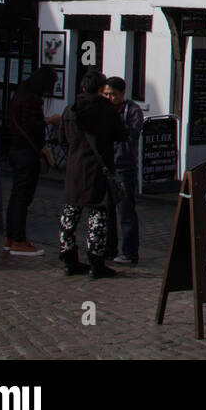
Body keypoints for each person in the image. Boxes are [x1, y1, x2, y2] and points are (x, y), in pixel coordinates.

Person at [57, 70, 126, 278]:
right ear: (99, 89)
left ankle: (69, 260)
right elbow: (121, 135)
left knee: (70, 214)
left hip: (75, 170)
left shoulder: (70, 110)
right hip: (98, 169)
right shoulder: (107, 111)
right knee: (97, 217)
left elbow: (62, 140)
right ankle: (96, 263)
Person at [5, 66, 60, 256]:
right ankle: (18, 240)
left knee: (17, 195)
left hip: (16, 148)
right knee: (23, 196)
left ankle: (12, 236)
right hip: (26, 151)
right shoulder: (31, 99)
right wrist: (49, 121)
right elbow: (32, 125)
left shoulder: (20, 93)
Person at [103, 76, 143, 265]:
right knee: (107, 210)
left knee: (126, 211)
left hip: (125, 166)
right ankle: (109, 248)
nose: (109, 98)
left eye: (113, 94)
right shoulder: (105, 109)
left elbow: (132, 135)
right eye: (107, 94)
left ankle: (129, 252)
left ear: (122, 94)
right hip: (107, 165)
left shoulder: (133, 110)